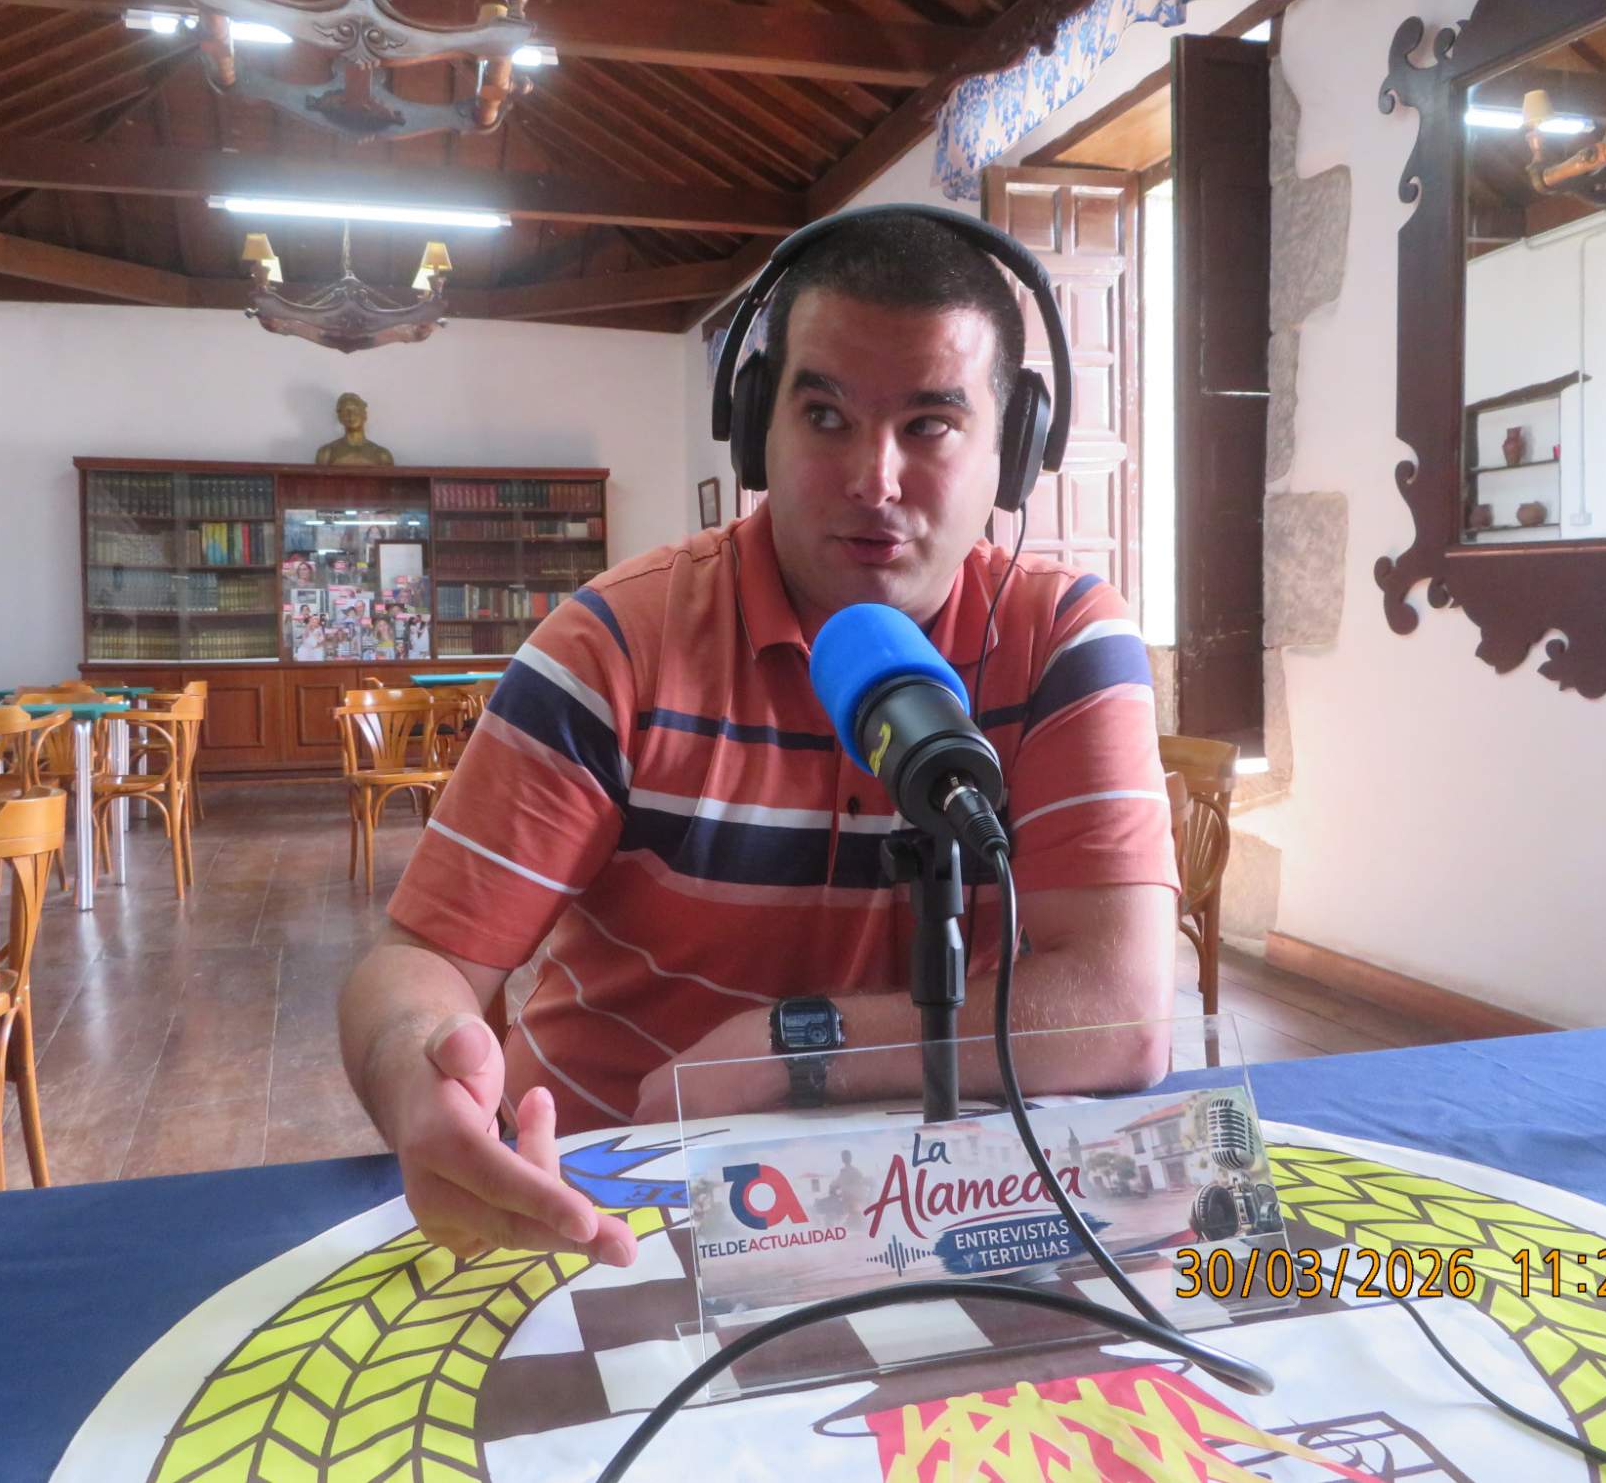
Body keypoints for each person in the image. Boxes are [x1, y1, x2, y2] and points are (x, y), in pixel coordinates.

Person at [338, 211, 1177, 1269]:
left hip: (950, 1203)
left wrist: (791, 1051)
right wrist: (423, 1077)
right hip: (617, 1214)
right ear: (754, 432)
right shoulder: (612, 646)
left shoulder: (1062, 641)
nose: (874, 478)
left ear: (1012, 454)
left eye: (929, 425)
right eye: (825, 415)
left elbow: (1119, 1014)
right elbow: (416, 964)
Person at [315, 392, 395, 467]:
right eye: (346, 411)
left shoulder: (382, 455)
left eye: (355, 409)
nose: (351, 415)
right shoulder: (326, 453)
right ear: (339, 417)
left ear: (365, 415)